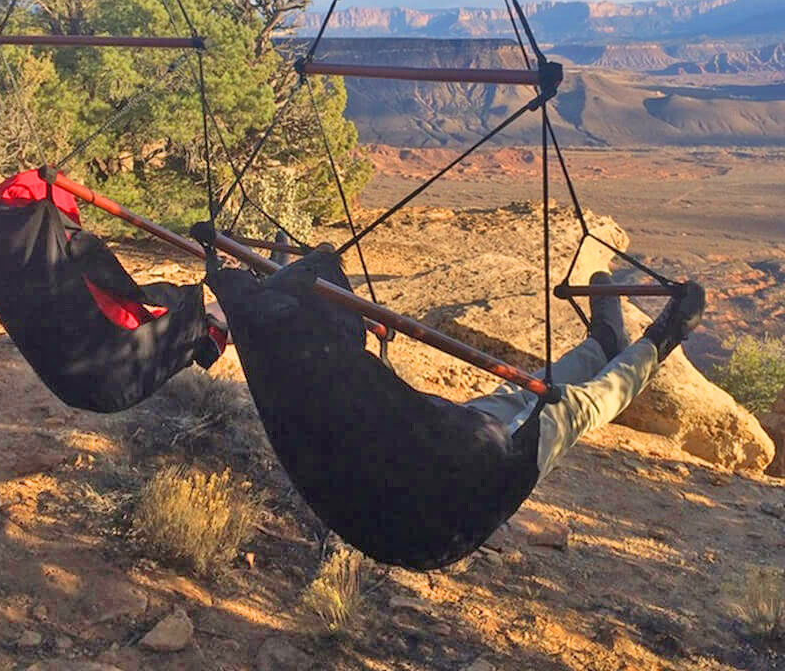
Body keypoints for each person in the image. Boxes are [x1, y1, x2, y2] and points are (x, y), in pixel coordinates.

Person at [202, 240, 706, 569]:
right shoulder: (322, 374)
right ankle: (662, 340)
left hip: (438, 443)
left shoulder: (305, 384)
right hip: (457, 497)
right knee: (573, 408)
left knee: (524, 393)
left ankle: (602, 342)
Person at [463, 270, 706, 481]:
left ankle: (602, 346)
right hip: (473, 477)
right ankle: (659, 343)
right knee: (562, 412)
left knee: (512, 397)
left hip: (441, 435)